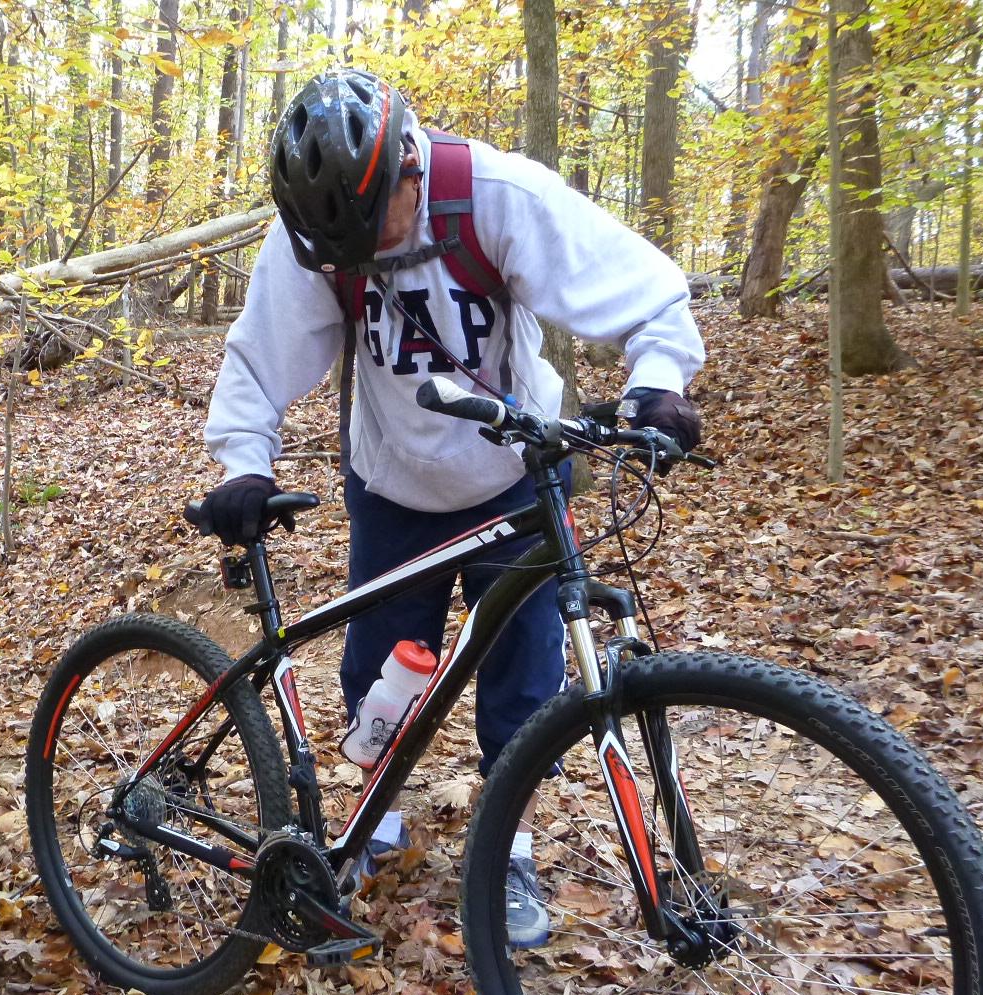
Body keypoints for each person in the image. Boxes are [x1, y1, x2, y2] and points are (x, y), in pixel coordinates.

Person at [193, 70, 706, 946]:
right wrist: (244, 461)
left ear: (408, 170)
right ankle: (372, 820)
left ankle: (510, 846)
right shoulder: (314, 235)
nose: (354, 255)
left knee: (523, 685)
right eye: (333, 245)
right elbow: (260, 355)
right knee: (381, 674)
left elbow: (645, 292)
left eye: (371, 231)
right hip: (392, 481)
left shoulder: (494, 196)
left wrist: (657, 384)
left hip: (513, 472)